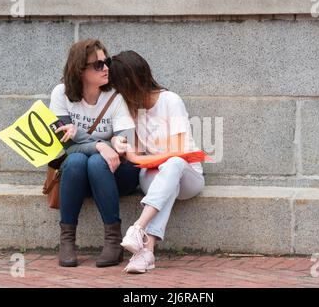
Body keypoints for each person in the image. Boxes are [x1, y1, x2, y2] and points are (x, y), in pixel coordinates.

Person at [109, 50, 205, 273]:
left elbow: (178, 153)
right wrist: (117, 140)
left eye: (120, 87)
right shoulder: (127, 108)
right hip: (152, 175)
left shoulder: (170, 101)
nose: (118, 93)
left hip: (188, 175)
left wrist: (135, 156)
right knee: (166, 178)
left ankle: (138, 227)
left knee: (173, 164)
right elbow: (130, 149)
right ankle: (146, 252)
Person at [49, 39, 140, 268]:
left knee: (97, 163)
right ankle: (67, 241)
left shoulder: (115, 98)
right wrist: (101, 144)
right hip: (76, 177)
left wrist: (111, 143)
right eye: (98, 65)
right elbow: (64, 147)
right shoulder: (61, 95)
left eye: (106, 62)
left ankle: (113, 241)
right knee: (77, 160)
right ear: (80, 70)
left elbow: (126, 144)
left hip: (116, 174)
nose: (106, 67)